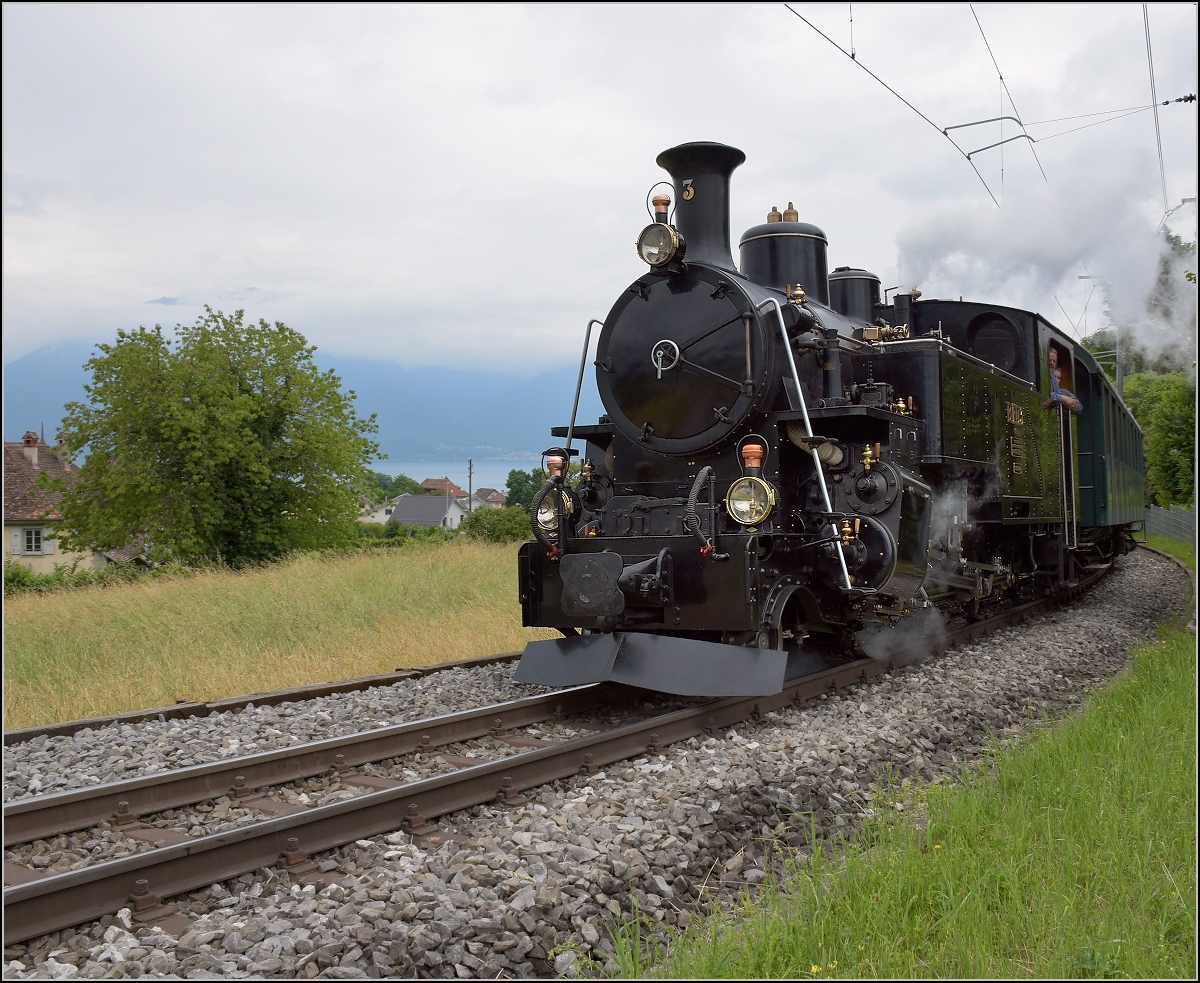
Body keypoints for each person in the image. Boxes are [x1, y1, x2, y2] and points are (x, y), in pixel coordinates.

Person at [1041, 348, 1082, 414]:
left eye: (1054, 361)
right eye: (1049, 360)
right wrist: (1063, 398)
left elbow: (1079, 407)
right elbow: (1043, 395)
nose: (1052, 363)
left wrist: (1066, 401)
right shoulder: (1040, 374)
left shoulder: (1052, 376)